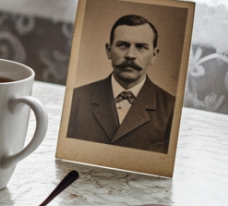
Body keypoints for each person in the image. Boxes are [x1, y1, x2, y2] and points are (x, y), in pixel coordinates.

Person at [65, 14, 176, 153]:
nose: (130, 55)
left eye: (141, 47)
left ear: (154, 55)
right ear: (109, 51)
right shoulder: (76, 99)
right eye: (123, 45)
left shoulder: (172, 109)